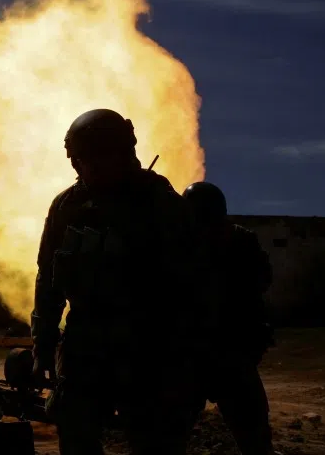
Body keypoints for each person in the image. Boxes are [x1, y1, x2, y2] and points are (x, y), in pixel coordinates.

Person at [31, 108, 210, 455]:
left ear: (124, 152)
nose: (87, 167)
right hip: (85, 342)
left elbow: (194, 285)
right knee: (75, 434)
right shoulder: (68, 207)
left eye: (97, 157)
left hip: (148, 345)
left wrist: (188, 359)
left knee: (155, 440)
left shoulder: (160, 203)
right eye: (80, 159)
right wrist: (43, 349)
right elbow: (48, 282)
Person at [183, 181, 275, 455]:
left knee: (253, 433)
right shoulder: (237, 239)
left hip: (222, 351)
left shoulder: (235, 242)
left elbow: (259, 282)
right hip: (207, 353)